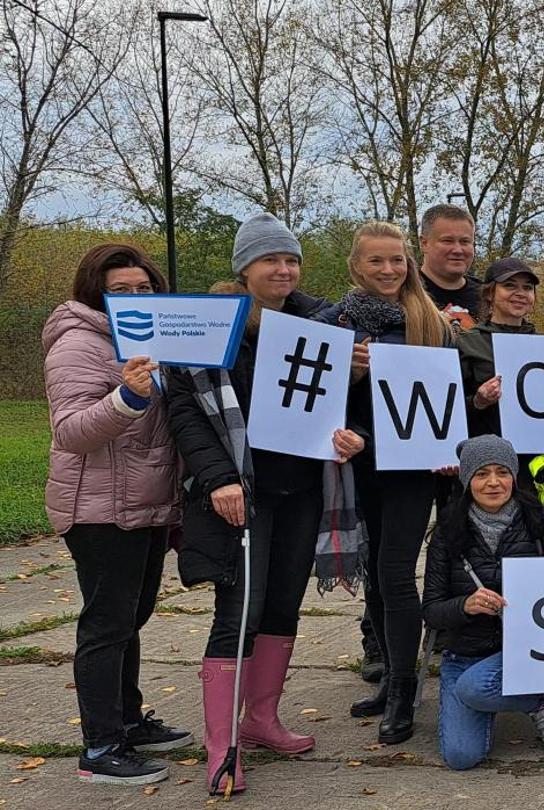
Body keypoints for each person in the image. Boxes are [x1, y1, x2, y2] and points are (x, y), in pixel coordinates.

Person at [169, 218, 366, 794]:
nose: (283, 270)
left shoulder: (322, 322)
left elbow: (331, 404)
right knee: (239, 613)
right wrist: (218, 478)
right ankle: (221, 747)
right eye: (270, 260)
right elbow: (185, 410)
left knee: (283, 604)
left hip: (304, 487)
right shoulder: (211, 326)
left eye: (291, 260)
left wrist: (348, 430)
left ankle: (261, 720)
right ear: (244, 269)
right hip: (241, 491)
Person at [45, 244, 187, 785]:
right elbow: (72, 431)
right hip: (98, 507)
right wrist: (126, 398)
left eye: (143, 288)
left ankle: (128, 719)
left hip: (146, 502)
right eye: (120, 290)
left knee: (133, 617)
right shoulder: (78, 343)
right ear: (97, 293)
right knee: (106, 625)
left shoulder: (158, 337)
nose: (134, 297)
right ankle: (100, 746)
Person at [314, 220, 454, 745]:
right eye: (377, 261)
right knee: (373, 570)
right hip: (356, 466)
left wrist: (448, 447)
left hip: (411, 469)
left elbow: (442, 399)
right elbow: (312, 404)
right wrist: (345, 377)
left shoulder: (430, 322)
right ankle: (391, 673)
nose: (390, 270)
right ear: (355, 266)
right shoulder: (331, 323)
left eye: (397, 260)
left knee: (395, 571)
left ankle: (403, 689)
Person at [423, 436, 544, 770]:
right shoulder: (447, 532)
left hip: (526, 651)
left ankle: (541, 697)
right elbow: (430, 609)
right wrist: (465, 606)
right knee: (460, 757)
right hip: (466, 652)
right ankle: (537, 699)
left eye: (502, 472)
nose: (494, 482)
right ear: (467, 479)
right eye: (482, 474)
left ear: (515, 476)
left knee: (473, 688)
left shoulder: (539, 525)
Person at [456, 257, 542, 445]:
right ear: (490, 293)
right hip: (487, 456)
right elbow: (448, 408)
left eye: (527, 288)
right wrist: (478, 401)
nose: (520, 293)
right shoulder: (468, 342)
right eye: (510, 286)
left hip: (536, 454)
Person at [417, 204, 482, 328]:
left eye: (465, 241)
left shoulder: (489, 297)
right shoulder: (402, 292)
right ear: (424, 243)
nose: (458, 250)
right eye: (447, 241)